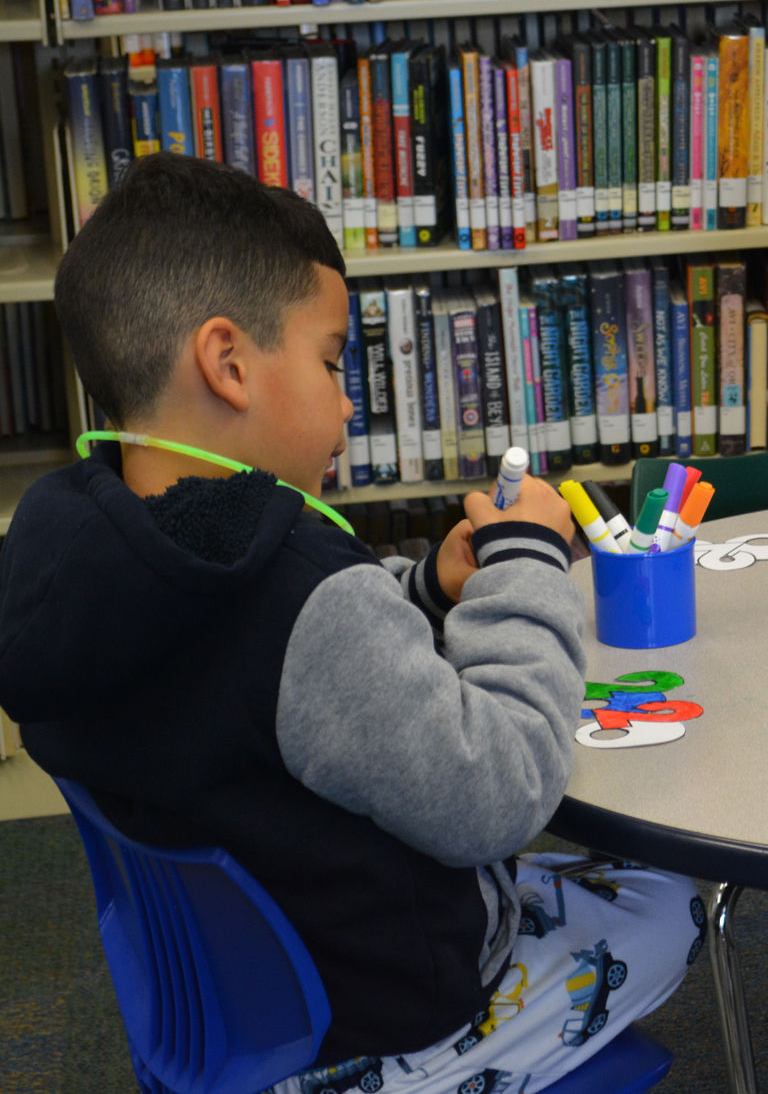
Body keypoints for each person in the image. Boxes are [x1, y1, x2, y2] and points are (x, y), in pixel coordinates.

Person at [0, 155, 703, 1094]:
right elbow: (507, 789)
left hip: (222, 1015)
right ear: (228, 362)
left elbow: (261, 675)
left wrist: (423, 593)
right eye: (332, 361)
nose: (346, 400)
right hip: (369, 1029)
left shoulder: (69, 545)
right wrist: (527, 560)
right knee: (672, 903)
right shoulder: (302, 597)